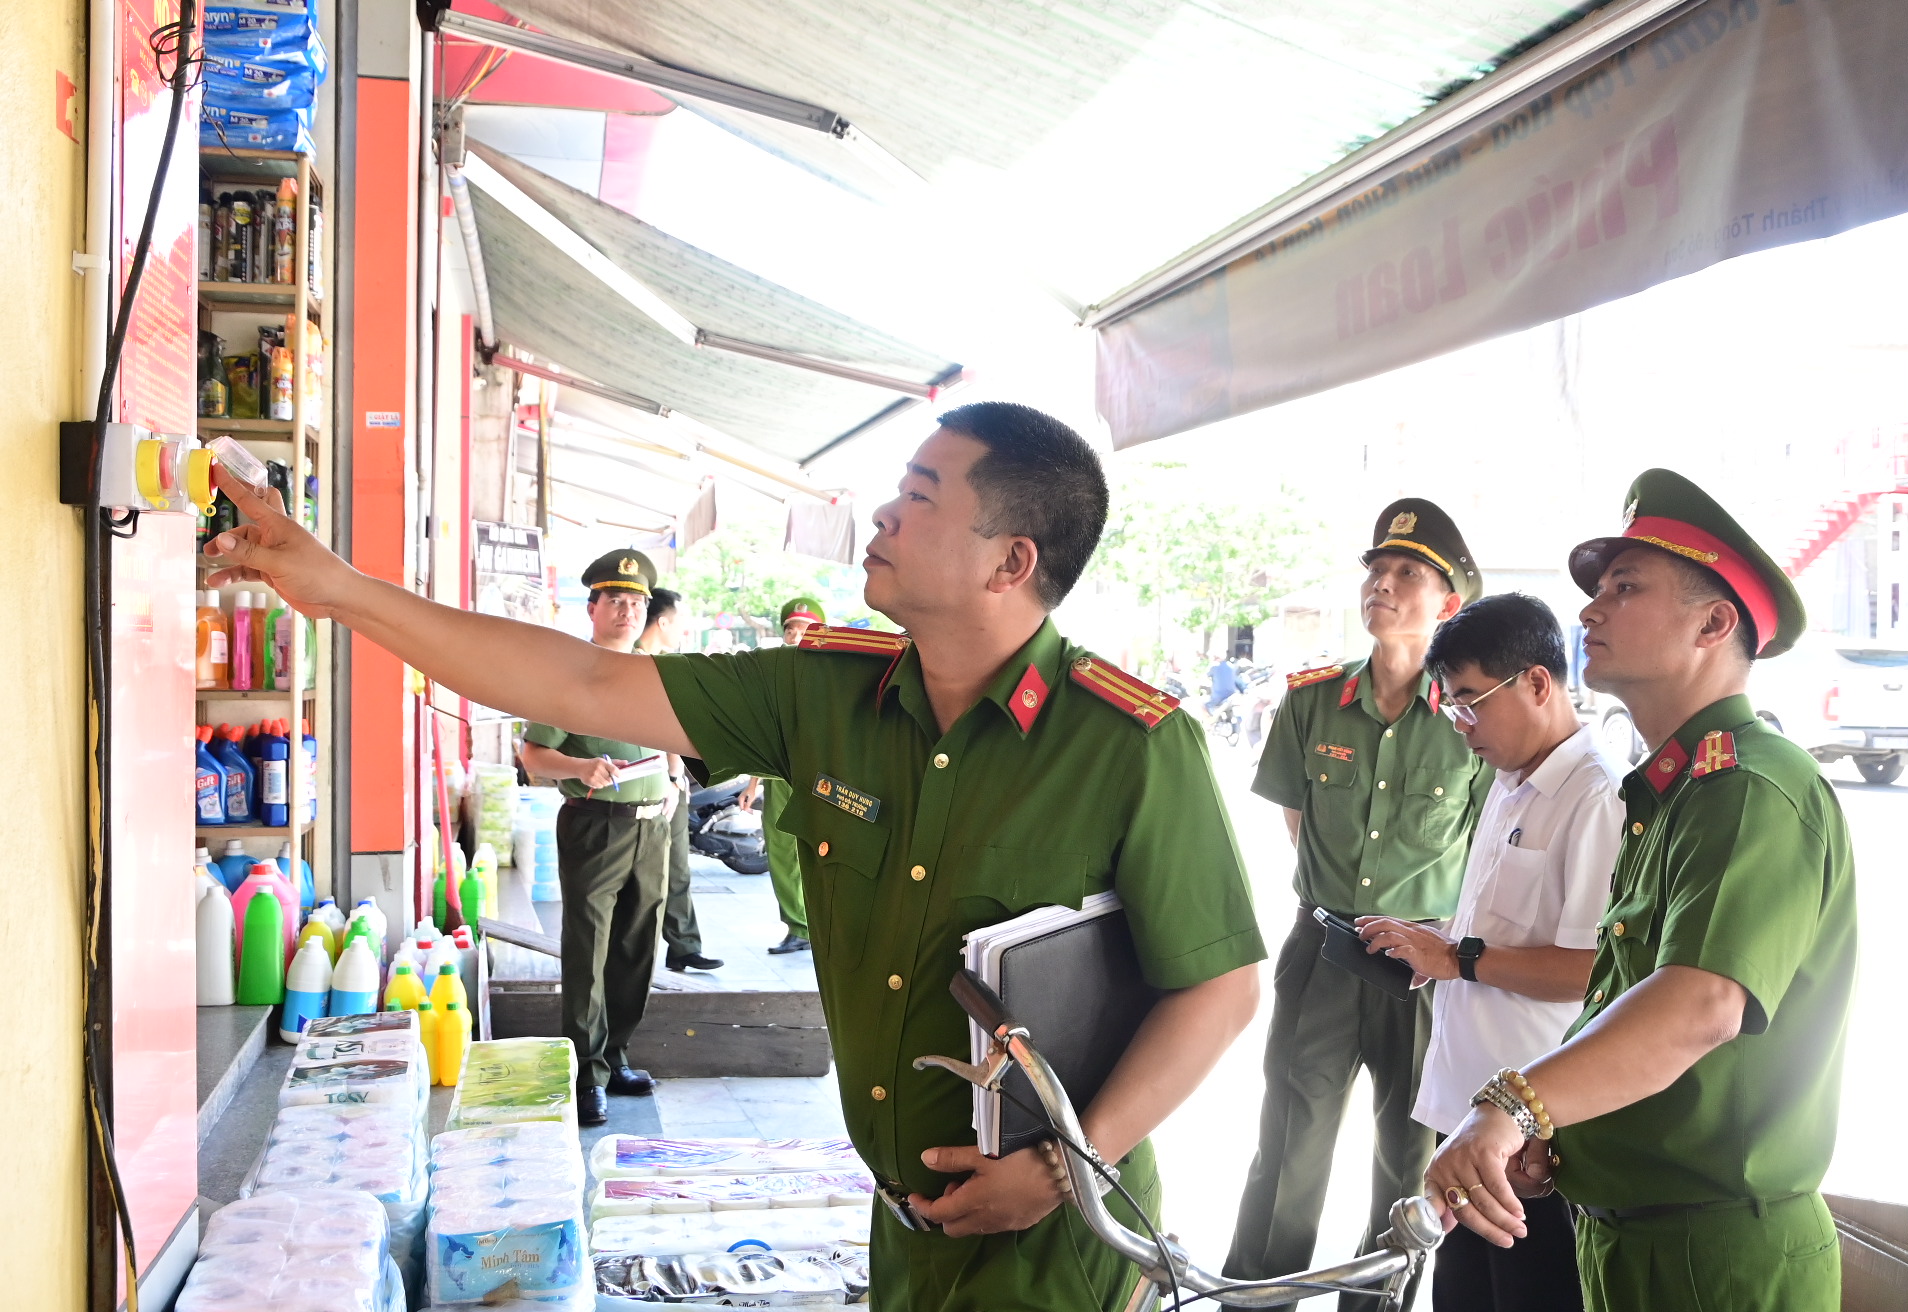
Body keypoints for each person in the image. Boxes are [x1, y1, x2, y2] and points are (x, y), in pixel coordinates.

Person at [202, 400, 1265, 1312]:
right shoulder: (825, 694)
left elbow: (1218, 985)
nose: (886, 512)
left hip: (1064, 1248)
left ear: (1011, 559)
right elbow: (578, 686)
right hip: (903, 1227)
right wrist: (334, 588)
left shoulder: (1129, 744)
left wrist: (1064, 1166)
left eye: (922, 493)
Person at [1423, 469, 1855, 1312]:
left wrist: (1516, 1105)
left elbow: (1698, 1006)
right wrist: (1559, 1135)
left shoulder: (1748, 788)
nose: (1589, 611)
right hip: (1631, 1233)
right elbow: (1616, 994)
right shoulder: (1666, 795)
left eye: (1624, 587)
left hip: (1716, 1254)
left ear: (1714, 622)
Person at [1228, 498, 1491, 1312]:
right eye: (1377, 571)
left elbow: (1485, 849)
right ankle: (1257, 1299)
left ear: (1447, 602)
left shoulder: (1469, 724)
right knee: (1290, 1140)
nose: (1383, 584)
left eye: (1407, 573)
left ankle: (1375, 1305)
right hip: (1322, 948)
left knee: (1408, 1153)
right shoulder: (1313, 702)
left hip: (1421, 966)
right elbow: (1296, 818)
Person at [1358, 593, 1621, 1312]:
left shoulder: (1594, 796)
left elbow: (1594, 971)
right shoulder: (1511, 783)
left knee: (1529, 1296)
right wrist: (1435, 943)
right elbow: (1498, 933)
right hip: (1471, 1111)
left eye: (1471, 700)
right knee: (1464, 1295)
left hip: (1533, 1137)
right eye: (1451, 703)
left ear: (1538, 683)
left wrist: (1461, 960)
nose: (1460, 724)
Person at [515, 550, 673, 1127]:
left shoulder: (655, 672)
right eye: (616, 601)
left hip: (653, 824)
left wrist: (674, 778)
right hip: (595, 825)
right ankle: (584, 1074)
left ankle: (615, 1055)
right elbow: (533, 754)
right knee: (590, 948)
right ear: (593, 607)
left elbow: (671, 737)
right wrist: (580, 769)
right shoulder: (571, 674)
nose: (627, 612)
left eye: (636, 603)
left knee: (636, 945)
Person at [635, 588, 723, 974]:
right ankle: (648, 952)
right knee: (655, 872)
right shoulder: (640, 663)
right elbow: (660, 727)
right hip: (646, 785)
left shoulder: (661, 662)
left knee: (677, 865)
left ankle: (684, 944)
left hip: (667, 781)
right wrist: (673, 775)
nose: (683, 631)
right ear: (664, 621)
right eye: (680, 622)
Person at [749, 597, 827, 955]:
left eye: (804, 628)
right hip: (778, 774)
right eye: (790, 629)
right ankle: (798, 925)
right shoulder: (772, 673)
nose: (796, 634)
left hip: (820, 775)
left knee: (822, 852)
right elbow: (759, 730)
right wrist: (752, 783)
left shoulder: (834, 672)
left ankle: (821, 925)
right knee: (781, 852)